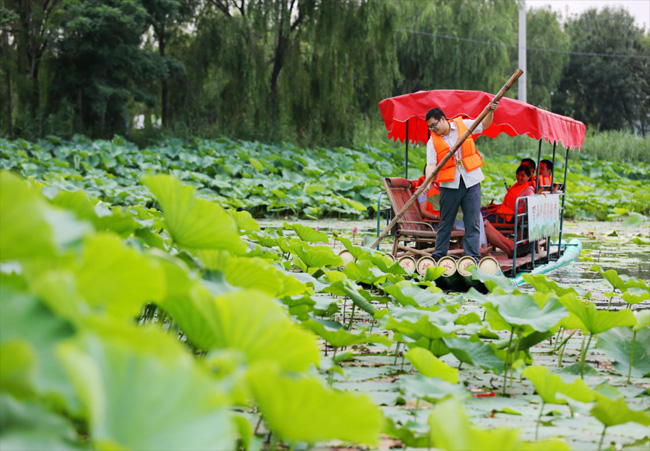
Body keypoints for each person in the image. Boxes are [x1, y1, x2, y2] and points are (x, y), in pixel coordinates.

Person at [425, 102, 497, 262]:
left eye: (434, 125)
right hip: (449, 185)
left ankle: (473, 259)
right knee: (445, 222)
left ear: (442, 119)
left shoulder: (463, 125)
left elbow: (484, 124)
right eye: (430, 127)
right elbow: (430, 164)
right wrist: (428, 181)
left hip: (471, 181)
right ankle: (438, 258)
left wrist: (490, 112)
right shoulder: (432, 141)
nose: (433, 129)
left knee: (473, 222)